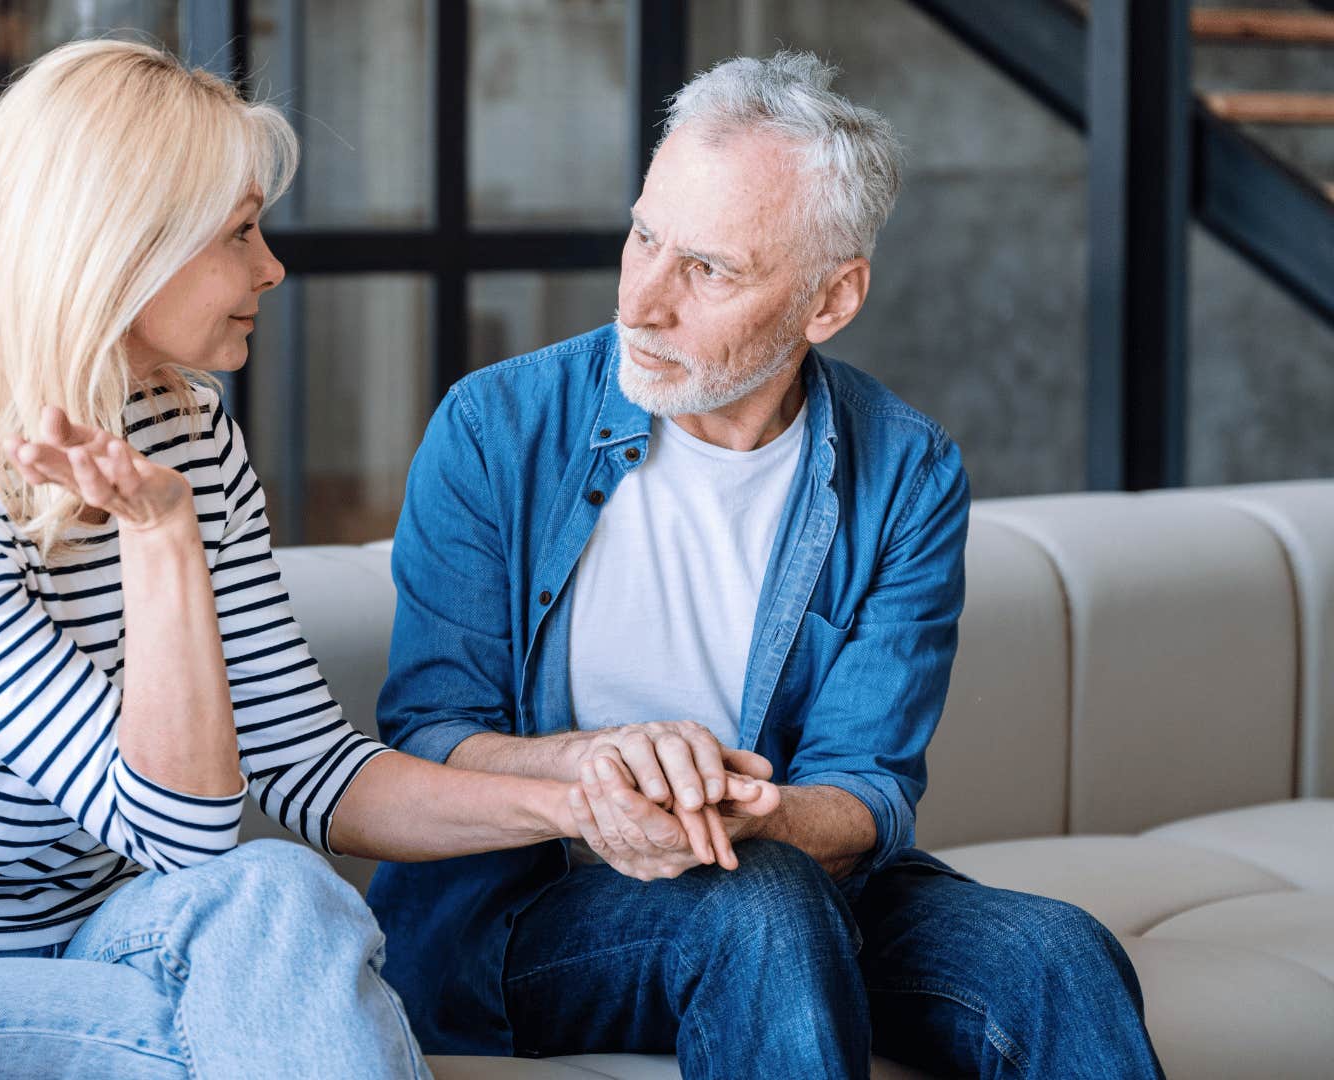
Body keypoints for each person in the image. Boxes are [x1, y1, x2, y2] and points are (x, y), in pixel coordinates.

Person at [0, 39, 590, 1080]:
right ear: (119, 244)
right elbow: (177, 826)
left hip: (97, 926)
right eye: (238, 233)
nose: (271, 268)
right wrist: (161, 538)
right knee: (213, 1040)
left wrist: (575, 804)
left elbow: (310, 768)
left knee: (285, 891)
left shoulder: (191, 437)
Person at [367, 52, 1165, 1079]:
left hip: (788, 883)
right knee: (761, 908)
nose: (643, 301)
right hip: (520, 917)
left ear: (830, 301)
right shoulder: (495, 427)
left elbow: (865, 790)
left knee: (1058, 952)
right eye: (644, 235)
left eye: (708, 269)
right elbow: (431, 735)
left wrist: (746, 814)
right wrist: (596, 772)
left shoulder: (908, 472)